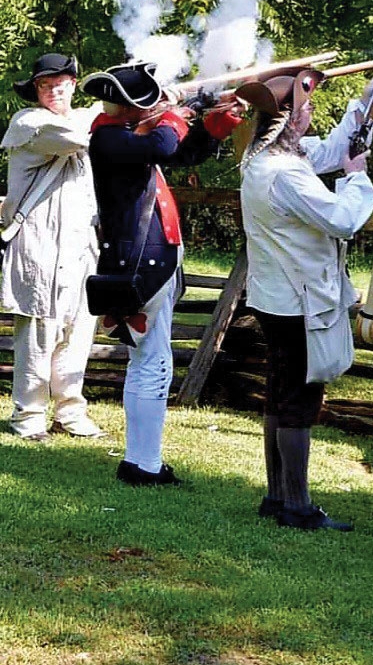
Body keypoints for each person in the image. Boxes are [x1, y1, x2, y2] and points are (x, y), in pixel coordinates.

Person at [236, 69, 373, 530]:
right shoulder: (284, 173)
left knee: (280, 396)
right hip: (298, 300)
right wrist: (357, 178)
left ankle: (277, 496)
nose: (310, 116)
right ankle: (298, 506)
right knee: (299, 402)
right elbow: (343, 220)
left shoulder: (263, 156)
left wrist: (364, 104)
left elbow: (324, 151)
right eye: (304, 110)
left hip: (277, 295)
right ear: (287, 119)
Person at [80, 61, 241, 486]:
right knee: (154, 363)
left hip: (148, 261)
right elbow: (166, 146)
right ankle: (144, 464)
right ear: (134, 108)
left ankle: (141, 459)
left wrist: (217, 124)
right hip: (140, 265)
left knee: (148, 361)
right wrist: (173, 112)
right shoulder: (107, 138)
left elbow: (184, 151)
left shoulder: (129, 136)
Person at [1, 52, 104, 442]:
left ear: (73, 84)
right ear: (37, 90)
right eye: (46, 84)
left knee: (78, 332)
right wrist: (114, 112)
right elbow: (78, 137)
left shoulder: (80, 116)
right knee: (40, 334)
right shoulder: (30, 122)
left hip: (81, 245)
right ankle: (28, 417)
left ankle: (71, 413)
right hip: (40, 245)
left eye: (61, 82)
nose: (54, 89)